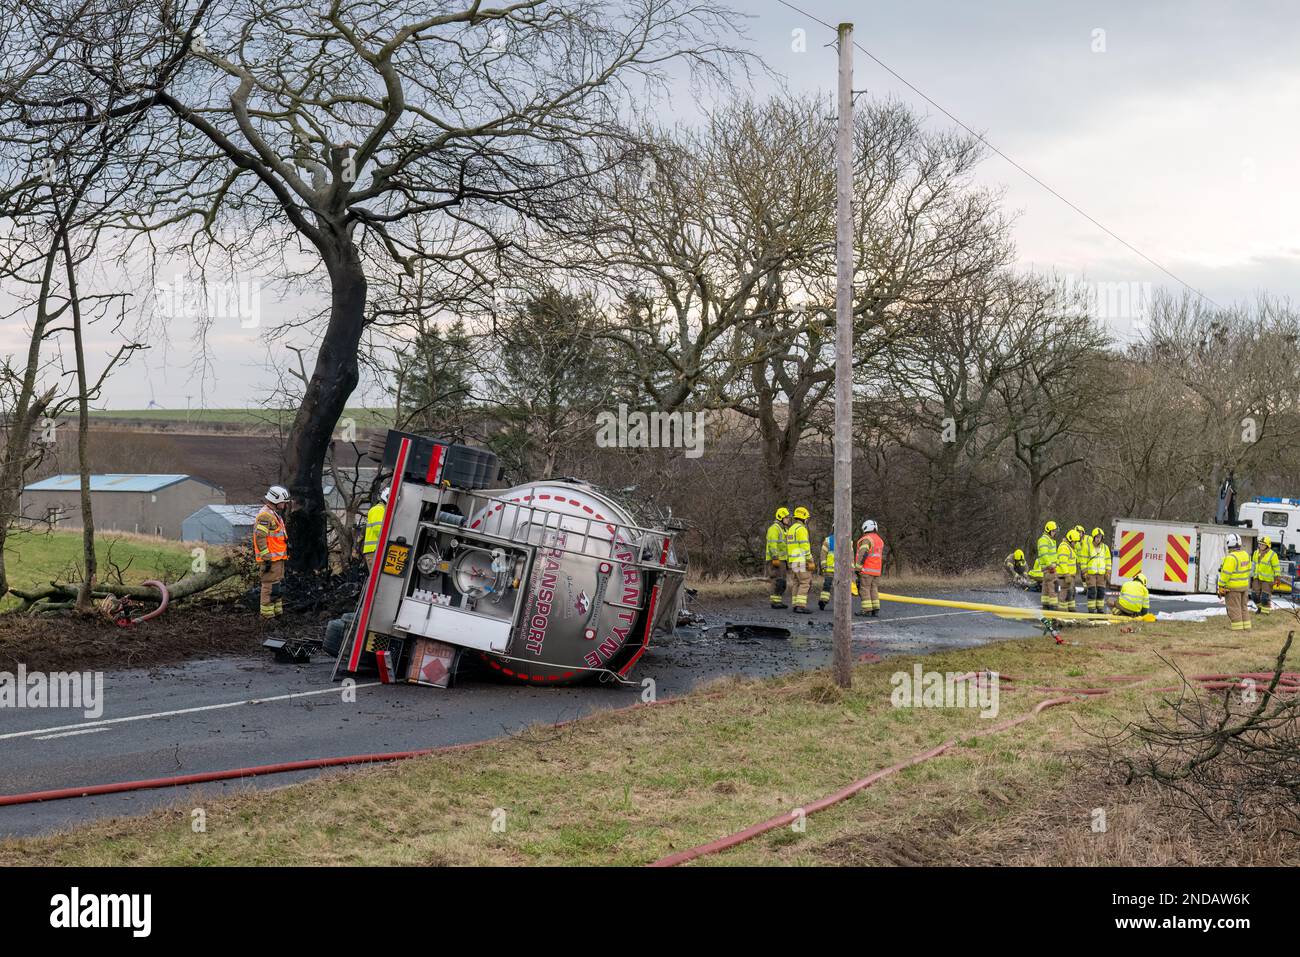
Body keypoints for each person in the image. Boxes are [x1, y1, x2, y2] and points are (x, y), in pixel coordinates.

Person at [253, 485, 290, 619]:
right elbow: (260, 537)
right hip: (270, 560)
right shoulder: (265, 516)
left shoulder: (273, 515)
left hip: (277, 559)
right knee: (269, 587)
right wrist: (266, 556)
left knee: (276, 587)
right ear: (276, 500)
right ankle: (267, 617)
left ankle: (277, 614)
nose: (285, 505)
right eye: (284, 502)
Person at [1217, 533, 1254, 632]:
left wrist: (1220, 586)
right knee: (1243, 608)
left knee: (1234, 609)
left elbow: (1225, 574)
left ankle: (1238, 632)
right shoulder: (1246, 555)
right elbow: (1249, 569)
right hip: (1244, 587)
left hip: (1233, 589)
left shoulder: (1231, 557)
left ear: (1229, 544)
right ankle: (1247, 630)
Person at [785, 506, 815, 615]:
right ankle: (800, 606)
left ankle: (795, 604)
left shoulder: (791, 529)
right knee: (805, 582)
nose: (807, 520)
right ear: (803, 518)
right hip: (801, 560)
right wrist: (810, 559)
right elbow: (805, 546)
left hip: (793, 560)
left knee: (796, 582)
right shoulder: (801, 529)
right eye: (806, 518)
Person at [855, 519, 884, 616]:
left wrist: (858, 568)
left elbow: (863, 554)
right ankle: (875, 609)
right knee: (874, 589)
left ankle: (866, 610)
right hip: (876, 571)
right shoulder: (879, 540)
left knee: (864, 589)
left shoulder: (867, 539)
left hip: (867, 570)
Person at [765, 507, 792, 608]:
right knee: (777, 580)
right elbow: (772, 544)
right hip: (776, 559)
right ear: (780, 517)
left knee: (781, 581)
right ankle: (775, 602)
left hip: (782, 559)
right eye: (786, 517)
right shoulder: (774, 528)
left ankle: (778, 601)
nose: (788, 519)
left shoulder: (783, 529)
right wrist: (775, 557)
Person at [1251, 536, 1280, 615]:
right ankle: (1260, 608)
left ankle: (1265, 613)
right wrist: (1251, 576)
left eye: (1263, 544)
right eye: (1260, 544)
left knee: (1265, 598)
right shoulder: (1256, 553)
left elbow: (1276, 567)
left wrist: (1277, 578)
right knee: (1254, 596)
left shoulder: (1273, 555)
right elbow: (1253, 565)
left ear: (1267, 546)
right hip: (1257, 578)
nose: (1260, 546)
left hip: (1267, 580)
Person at [363, 487, 390, 571]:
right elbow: (379, 530)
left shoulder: (382, 510)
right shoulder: (378, 509)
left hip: (376, 550)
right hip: (374, 550)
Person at [1084, 527, 1111, 613]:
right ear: (1093, 537)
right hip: (1091, 574)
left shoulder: (1105, 548)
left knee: (1101, 591)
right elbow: (1083, 561)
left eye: (1100, 537)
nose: (1098, 539)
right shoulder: (1088, 547)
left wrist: (1108, 572)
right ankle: (1091, 609)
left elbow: (1108, 560)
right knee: (1092, 591)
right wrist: (1084, 572)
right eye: (1097, 537)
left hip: (1102, 574)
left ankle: (1100, 608)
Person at [1055, 528, 1081, 613]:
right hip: (1064, 575)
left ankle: (1070, 609)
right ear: (1070, 540)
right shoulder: (1064, 547)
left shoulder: (1070, 547)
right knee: (1065, 591)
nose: (1076, 544)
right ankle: (1062, 611)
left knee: (1070, 592)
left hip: (1069, 575)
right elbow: (1063, 562)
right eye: (1075, 542)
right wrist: (1067, 574)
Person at [1037, 521, 1059, 610]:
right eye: (1053, 531)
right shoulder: (1044, 540)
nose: (1055, 533)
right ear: (1048, 531)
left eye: (1055, 531)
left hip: (1048, 568)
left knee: (1046, 587)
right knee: (1053, 586)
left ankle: (1045, 605)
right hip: (1050, 568)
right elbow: (1044, 554)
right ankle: (1053, 607)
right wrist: (1050, 565)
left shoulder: (1049, 540)